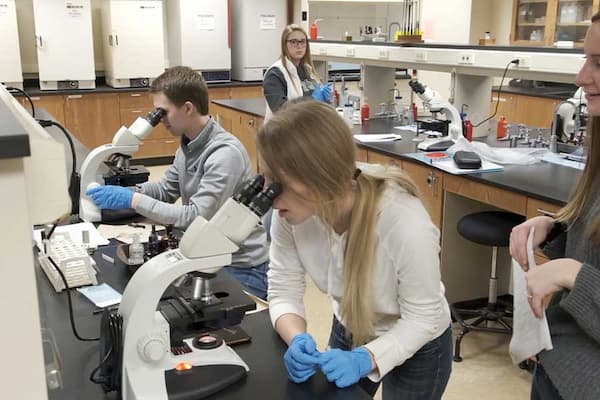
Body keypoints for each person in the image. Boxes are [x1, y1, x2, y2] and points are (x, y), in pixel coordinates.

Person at [258, 99, 452, 399]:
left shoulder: (403, 220)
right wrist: (296, 338)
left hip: (419, 340)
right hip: (350, 323)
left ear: (315, 180)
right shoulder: (290, 212)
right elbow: (283, 290)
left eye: (276, 183)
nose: (269, 196)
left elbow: (422, 318)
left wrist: (366, 359)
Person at [86, 66, 270, 300]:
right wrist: (126, 191)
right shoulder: (188, 144)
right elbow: (165, 190)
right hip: (204, 255)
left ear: (188, 108)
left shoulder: (224, 153)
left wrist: (133, 199)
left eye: (163, 112)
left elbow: (195, 217)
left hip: (238, 267)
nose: (159, 120)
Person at [509, 13, 600, 400]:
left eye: (599, 62)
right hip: (557, 364)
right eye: (586, 58)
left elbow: (583, 271)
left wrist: (572, 275)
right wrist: (556, 227)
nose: (581, 77)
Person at [263, 24, 331, 119]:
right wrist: (312, 100)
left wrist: (325, 102)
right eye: (293, 42)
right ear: (285, 45)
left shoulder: (307, 70)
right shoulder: (275, 74)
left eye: (302, 41)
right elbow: (281, 111)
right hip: (283, 132)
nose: (299, 46)